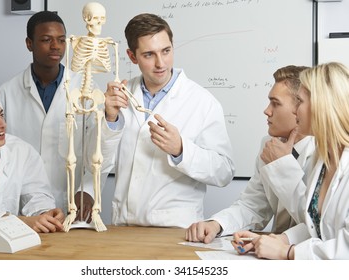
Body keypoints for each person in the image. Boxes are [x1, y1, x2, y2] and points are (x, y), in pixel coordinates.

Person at [80, 13, 235, 228]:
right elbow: (95, 162)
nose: (160, 63)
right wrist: (110, 119)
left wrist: (181, 150)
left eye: (166, 51)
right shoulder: (119, 96)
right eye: (149, 55)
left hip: (177, 228)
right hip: (124, 226)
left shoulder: (203, 102)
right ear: (132, 56)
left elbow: (224, 172)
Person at [233, 62, 349, 260]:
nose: (295, 112)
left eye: (300, 102)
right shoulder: (324, 160)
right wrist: (281, 240)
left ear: (321, 106)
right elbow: (317, 224)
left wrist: (288, 252)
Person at [185, 65, 315, 243]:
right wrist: (216, 224)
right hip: (275, 252)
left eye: (275, 103)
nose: (267, 111)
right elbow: (253, 205)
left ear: (300, 107)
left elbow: (315, 222)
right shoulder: (269, 146)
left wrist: (283, 165)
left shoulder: (327, 153)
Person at [0, 11, 84, 214]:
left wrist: (86, 190)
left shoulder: (83, 89)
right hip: (23, 203)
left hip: (72, 201)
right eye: (46, 40)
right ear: (29, 44)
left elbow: (97, 146)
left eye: (61, 40)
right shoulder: (6, 92)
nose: (56, 46)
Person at [0, 86, 64, 233]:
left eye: (1, 115)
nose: (2, 124)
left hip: (13, 243)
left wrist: (44, 214)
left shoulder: (21, 151)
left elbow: (37, 195)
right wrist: (23, 222)